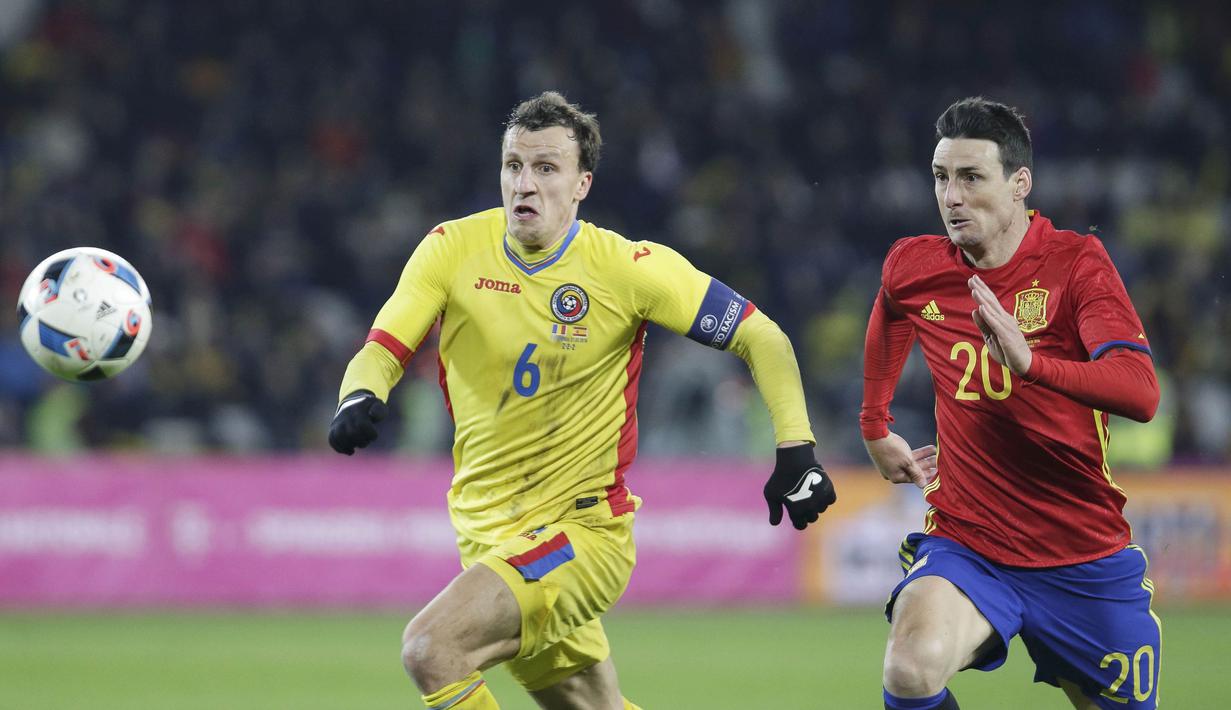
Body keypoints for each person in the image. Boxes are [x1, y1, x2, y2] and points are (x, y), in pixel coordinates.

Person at [329, 91, 835, 710]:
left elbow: (762, 335)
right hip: (488, 539)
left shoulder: (625, 268)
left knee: (431, 650)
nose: (525, 184)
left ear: (581, 184)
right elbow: (382, 349)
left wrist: (796, 447)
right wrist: (359, 393)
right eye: (514, 165)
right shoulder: (451, 248)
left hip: (581, 535)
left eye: (546, 168)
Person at [861, 97, 1161, 710]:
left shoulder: (1077, 264)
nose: (952, 197)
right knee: (910, 668)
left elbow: (1141, 390)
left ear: (1020, 183)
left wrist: (1033, 365)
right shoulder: (915, 265)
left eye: (972, 178)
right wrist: (874, 423)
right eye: (941, 178)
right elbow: (891, 307)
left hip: (1081, 552)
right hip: (970, 544)